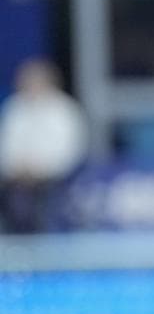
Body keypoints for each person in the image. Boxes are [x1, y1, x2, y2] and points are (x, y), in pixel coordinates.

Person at [0, 57, 88, 233]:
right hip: (16, 176)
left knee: (36, 198)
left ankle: (44, 237)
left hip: (54, 177)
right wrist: (16, 167)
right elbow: (5, 146)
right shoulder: (14, 108)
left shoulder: (65, 110)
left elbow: (70, 151)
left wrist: (40, 168)